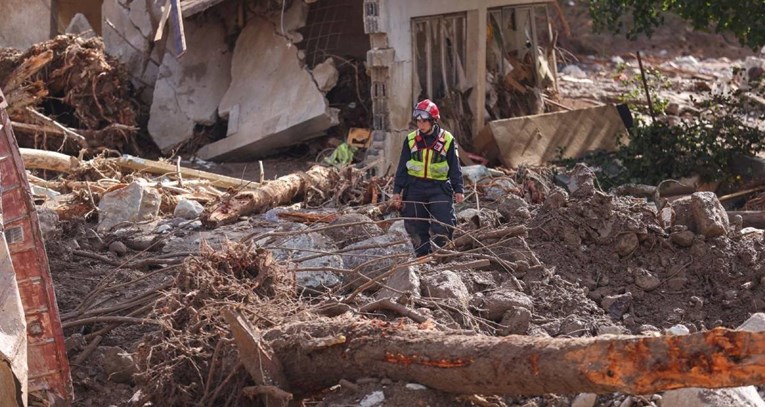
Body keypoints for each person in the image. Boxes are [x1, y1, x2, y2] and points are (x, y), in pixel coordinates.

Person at [391, 99, 464, 257]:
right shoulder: (411, 140)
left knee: (444, 223)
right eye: (418, 121)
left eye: (424, 121)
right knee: (415, 225)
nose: (420, 124)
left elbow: (455, 167)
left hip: (439, 188)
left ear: (433, 121)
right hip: (415, 188)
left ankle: (441, 255)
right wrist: (397, 190)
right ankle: (422, 257)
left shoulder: (447, 139)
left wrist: (459, 189)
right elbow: (402, 167)